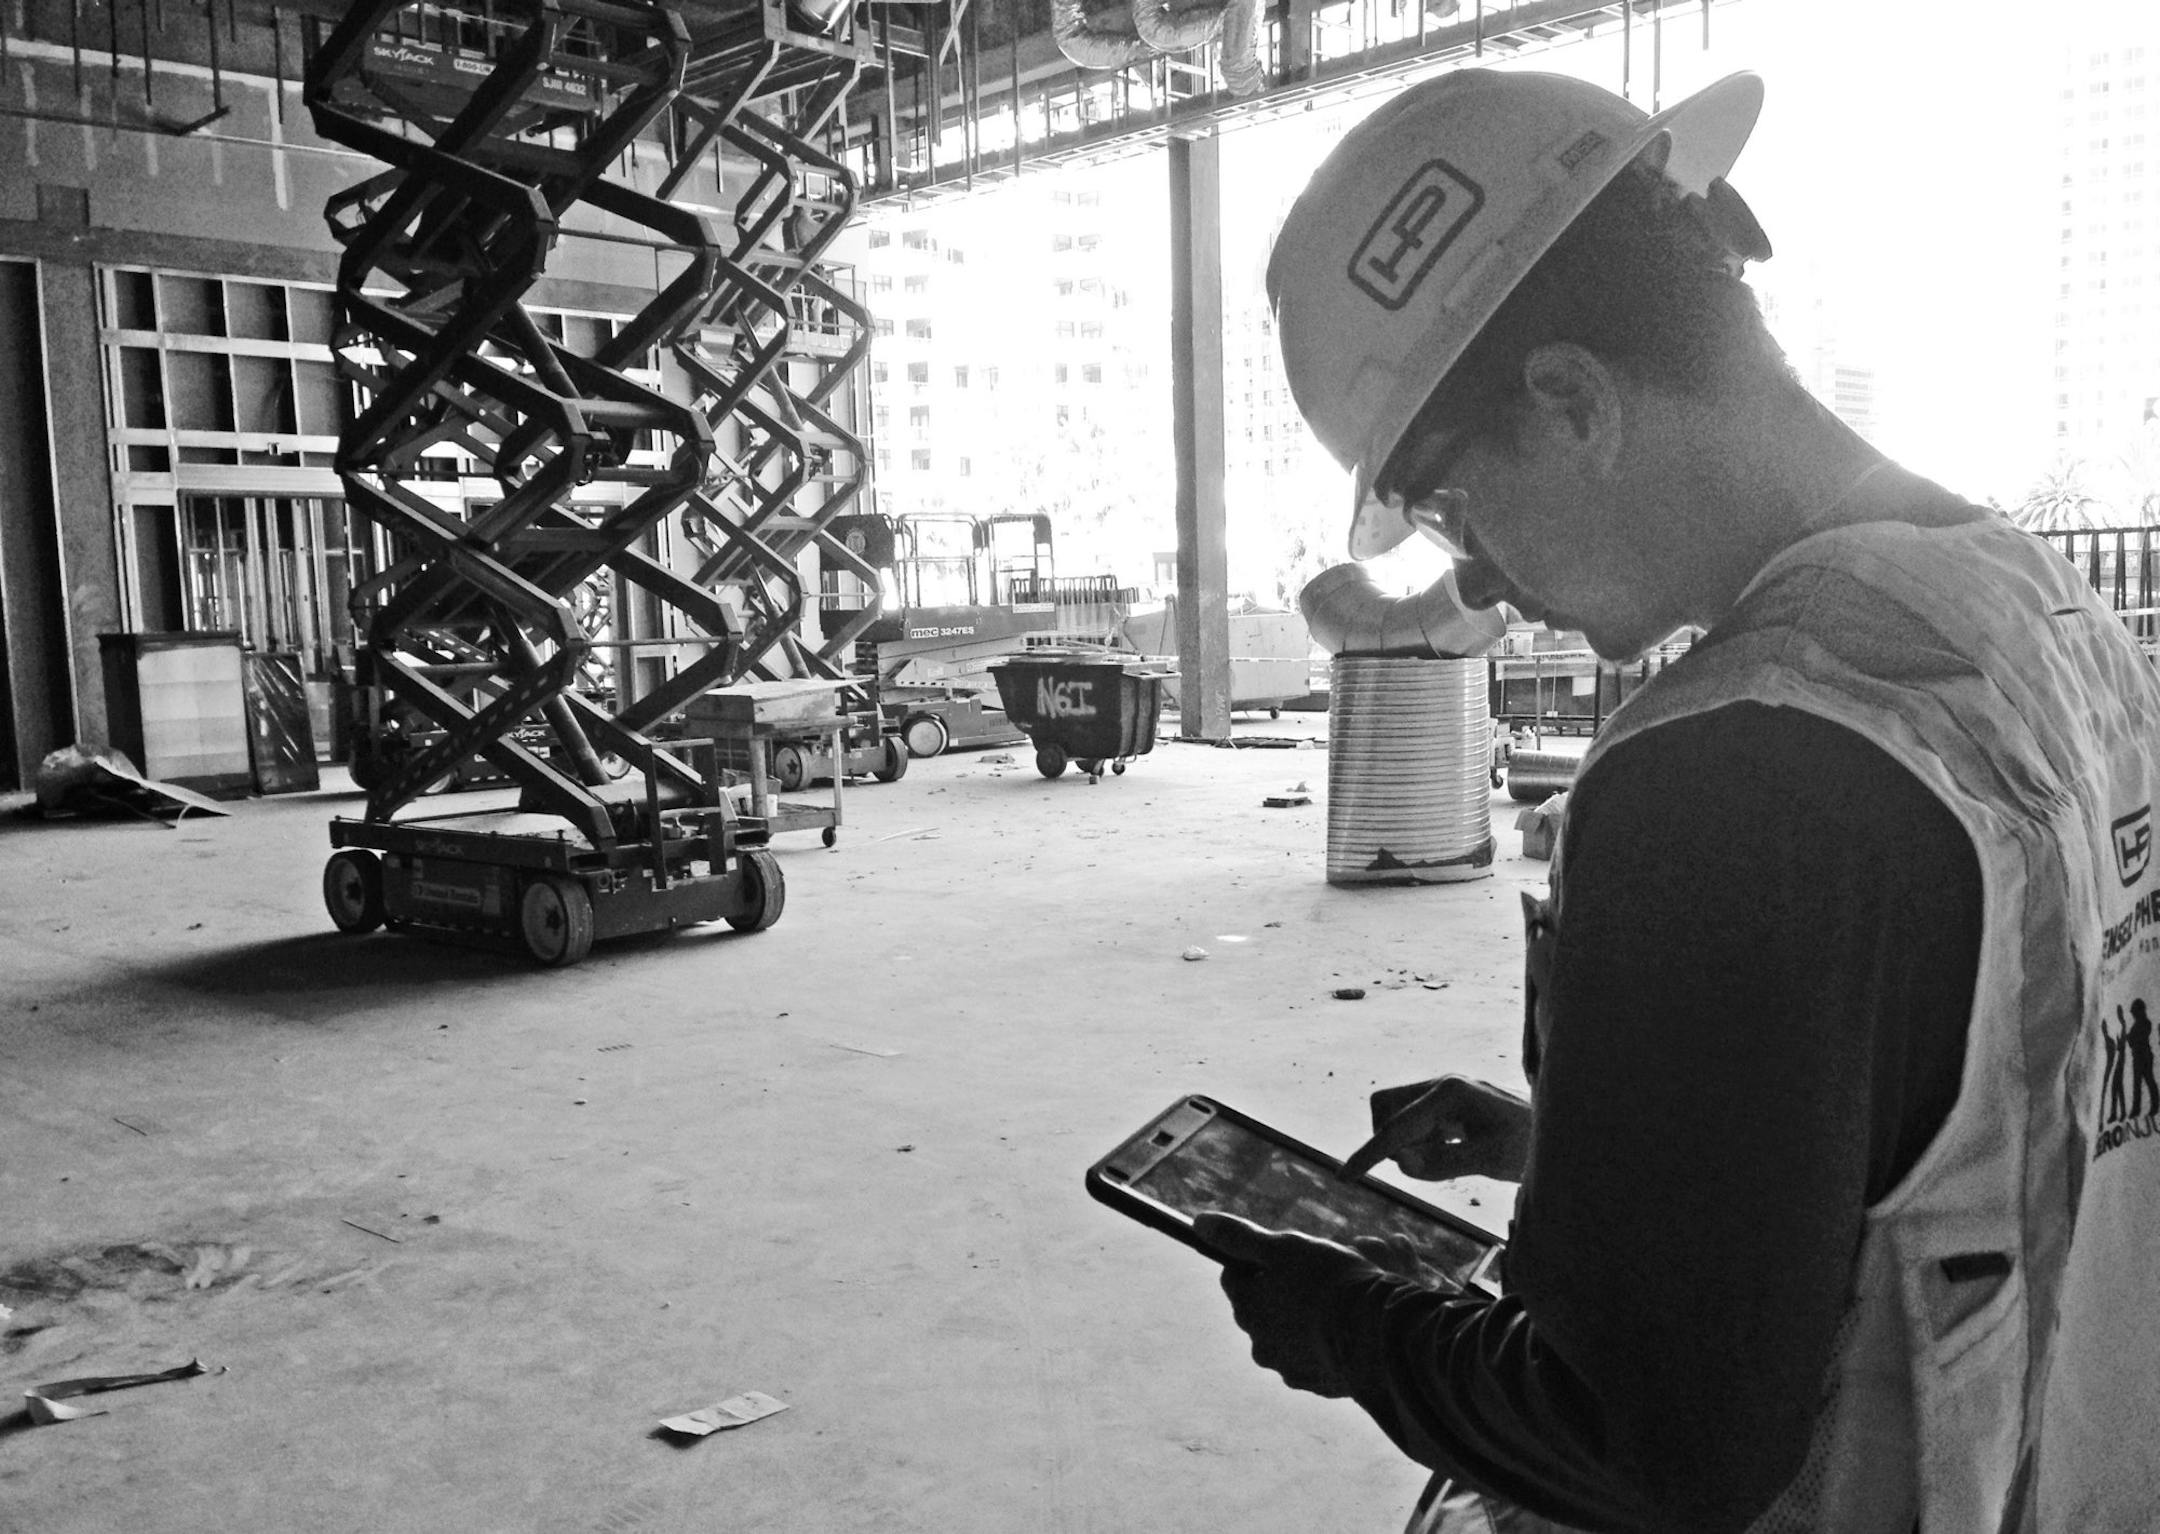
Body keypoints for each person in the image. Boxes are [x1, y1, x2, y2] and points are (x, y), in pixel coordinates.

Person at [1193, 66, 2160, 1533]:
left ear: (1571, 399)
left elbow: (1647, 1444)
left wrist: (1352, 1324)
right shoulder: (2038, 617)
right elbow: (1963, 1123)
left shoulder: (1726, 770)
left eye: (1451, 502)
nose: (1475, 579)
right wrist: (1571, 1144)